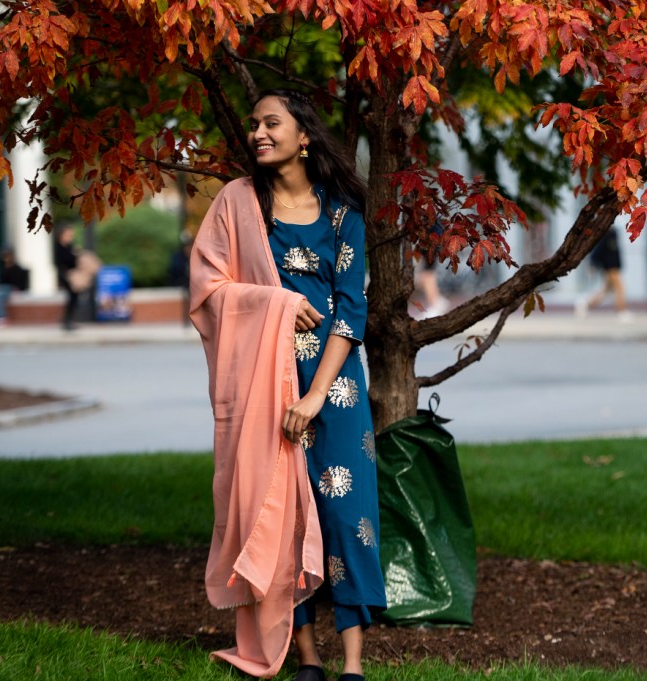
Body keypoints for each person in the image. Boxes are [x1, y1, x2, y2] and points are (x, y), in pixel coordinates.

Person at [189, 89, 386, 681]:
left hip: (335, 389)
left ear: (305, 136)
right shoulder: (240, 205)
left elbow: (351, 313)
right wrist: (274, 302)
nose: (257, 133)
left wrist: (315, 396)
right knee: (281, 518)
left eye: (271, 124)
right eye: (253, 125)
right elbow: (208, 287)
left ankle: (352, 663)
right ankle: (306, 655)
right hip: (265, 386)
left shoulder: (342, 213)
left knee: (346, 514)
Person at [575, 226, 632, 321]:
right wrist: (593, 264)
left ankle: (585, 304)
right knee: (620, 287)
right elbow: (597, 250)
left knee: (605, 291)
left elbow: (616, 252)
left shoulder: (614, 232)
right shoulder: (603, 233)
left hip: (614, 266)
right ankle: (622, 311)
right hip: (609, 267)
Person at [53, 224, 80, 330]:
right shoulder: (58, 248)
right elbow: (64, 261)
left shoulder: (70, 247)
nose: (70, 237)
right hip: (64, 275)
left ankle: (69, 320)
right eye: (68, 235)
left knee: (74, 297)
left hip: (71, 274)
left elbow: (74, 262)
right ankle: (67, 320)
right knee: (72, 296)